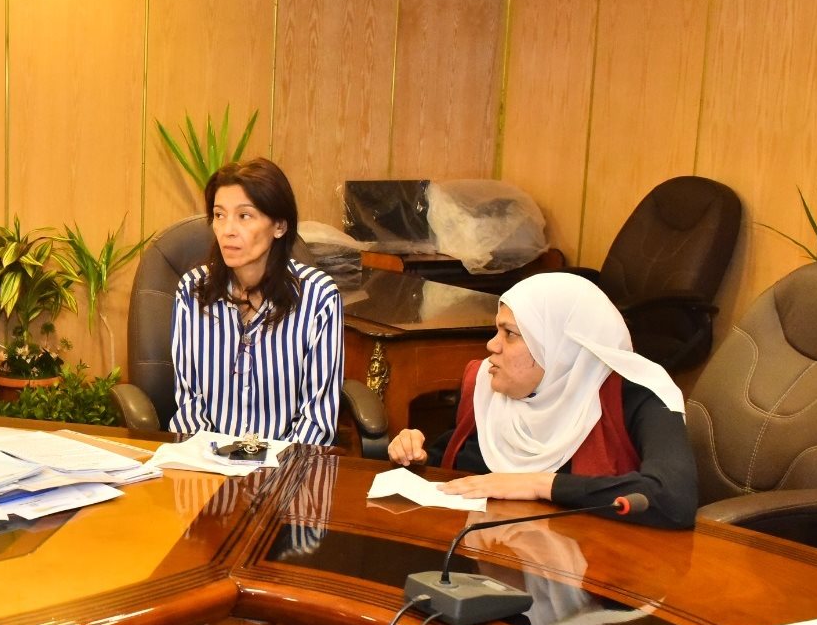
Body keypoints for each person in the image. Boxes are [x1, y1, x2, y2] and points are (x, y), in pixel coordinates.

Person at [386, 272, 697, 528]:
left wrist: (537, 484)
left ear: (558, 346)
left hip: (596, 568)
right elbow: (458, 465)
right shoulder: (488, 387)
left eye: (509, 334)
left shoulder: (635, 396)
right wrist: (417, 455)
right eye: (497, 331)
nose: (492, 345)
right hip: (479, 557)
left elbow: (673, 498)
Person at [169, 158, 342, 445]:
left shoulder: (318, 297)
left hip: (288, 464)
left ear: (279, 226)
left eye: (244, 216)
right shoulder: (192, 290)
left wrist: (273, 465)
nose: (228, 230)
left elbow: (317, 419)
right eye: (219, 215)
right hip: (206, 460)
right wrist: (213, 458)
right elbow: (189, 403)